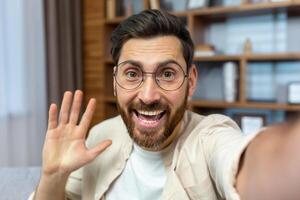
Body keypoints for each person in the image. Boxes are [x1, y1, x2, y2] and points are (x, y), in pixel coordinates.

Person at [31, 10, 300, 200]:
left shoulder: (210, 137)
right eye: (133, 74)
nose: (148, 95)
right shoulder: (101, 137)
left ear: (191, 81)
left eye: (167, 74)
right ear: (115, 82)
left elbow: (246, 164)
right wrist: (53, 174)